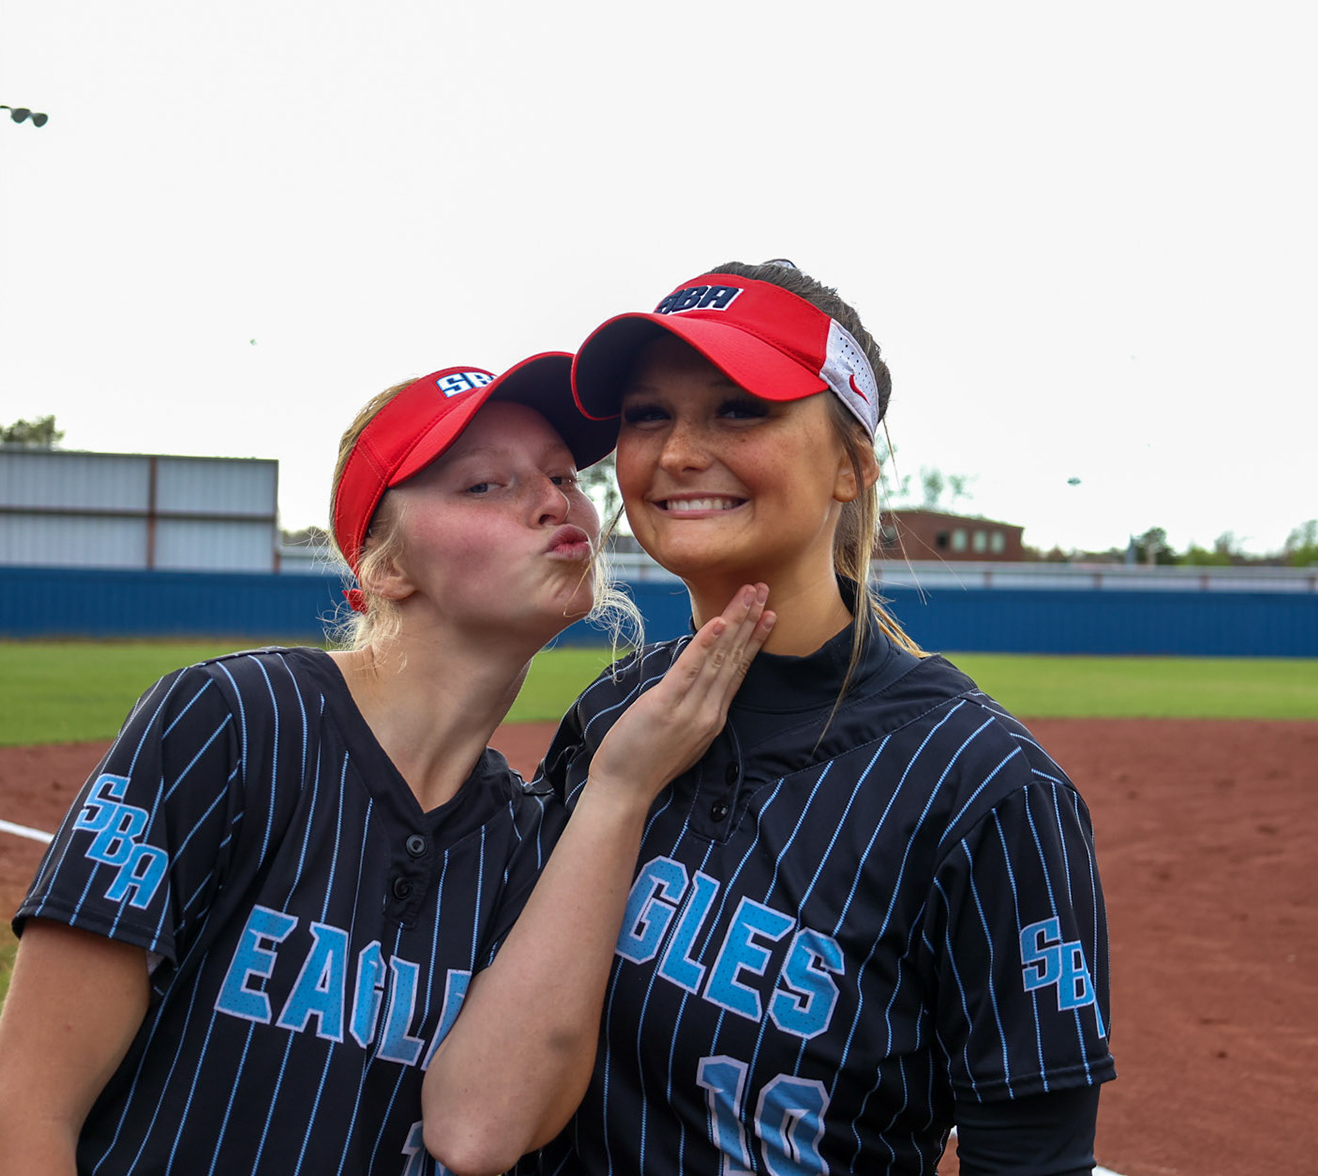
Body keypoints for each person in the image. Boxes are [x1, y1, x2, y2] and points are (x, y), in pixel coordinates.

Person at [0, 352, 774, 1176]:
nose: (554, 502)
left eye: (562, 476)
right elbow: (20, 1118)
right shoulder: (233, 723)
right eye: (485, 484)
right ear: (385, 567)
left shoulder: (534, 840)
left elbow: (489, 1133)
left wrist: (620, 791)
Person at [423, 263, 1113, 1176]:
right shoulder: (612, 716)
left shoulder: (988, 791)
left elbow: (1032, 1160)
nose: (676, 453)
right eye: (647, 415)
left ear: (850, 467)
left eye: (740, 408)